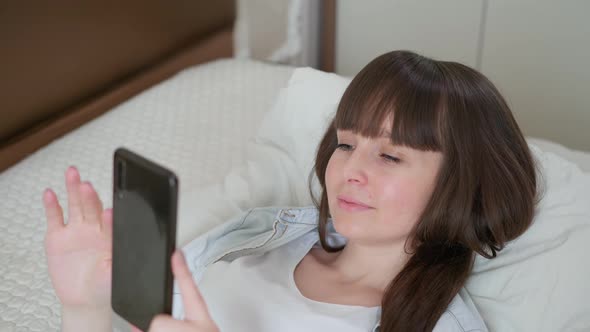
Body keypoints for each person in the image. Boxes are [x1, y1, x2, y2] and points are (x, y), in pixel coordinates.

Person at [42, 50, 538, 332]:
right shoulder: (259, 235)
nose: (349, 170)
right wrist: (84, 307)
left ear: (462, 184)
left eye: (390, 155)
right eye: (345, 144)